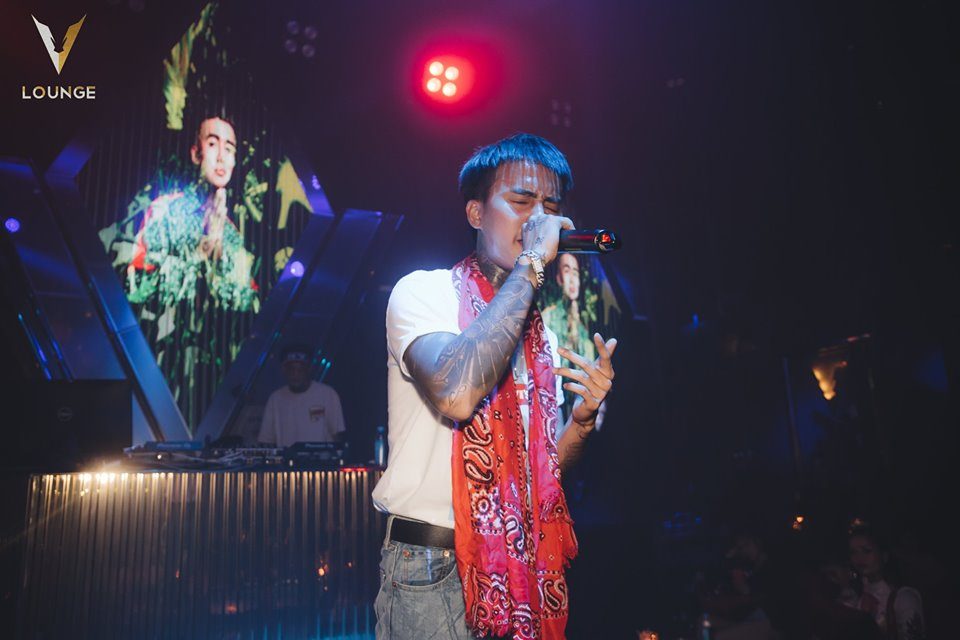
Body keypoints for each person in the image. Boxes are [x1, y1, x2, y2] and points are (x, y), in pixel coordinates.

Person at [372, 133, 618, 639]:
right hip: (431, 567)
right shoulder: (424, 292)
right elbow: (457, 393)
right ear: (476, 213)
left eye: (551, 208)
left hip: (520, 565)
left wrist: (581, 422)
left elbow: (543, 473)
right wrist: (532, 264)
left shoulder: (541, 337)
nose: (540, 221)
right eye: (522, 202)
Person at [833, 521, 925, 640]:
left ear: (884, 555)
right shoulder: (853, 592)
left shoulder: (903, 597)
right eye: (853, 552)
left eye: (866, 550)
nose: (859, 558)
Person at [257, 345, 346, 447]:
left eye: (300, 370)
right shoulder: (275, 399)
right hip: (286, 457)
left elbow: (337, 436)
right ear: (284, 371)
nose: (295, 374)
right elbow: (267, 441)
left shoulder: (328, 394)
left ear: (309, 370)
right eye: (291, 370)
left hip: (321, 457)